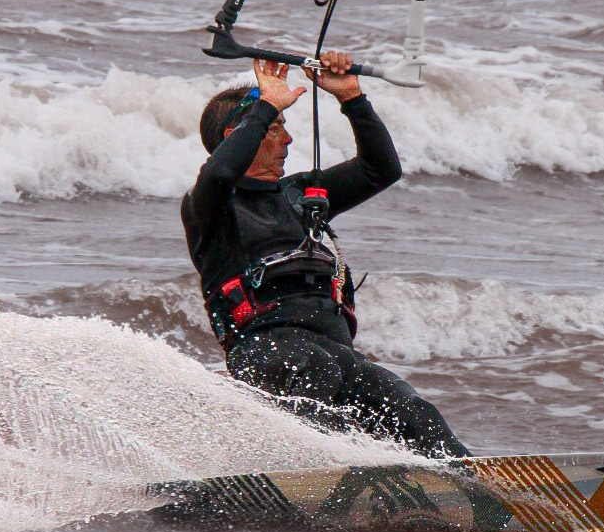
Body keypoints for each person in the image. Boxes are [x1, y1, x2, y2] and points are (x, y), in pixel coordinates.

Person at [181, 51, 469, 458]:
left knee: (413, 411)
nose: (288, 139)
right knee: (316, 373)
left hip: (335, 349)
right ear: (237, 135)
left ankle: (474, 482)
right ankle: (319, 469)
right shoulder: (209, 206)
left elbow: (381, 169)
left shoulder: (301, 194)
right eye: (276, 128)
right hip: (266, 349)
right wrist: (266, 105)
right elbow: (220, 172)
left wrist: (352, 98)